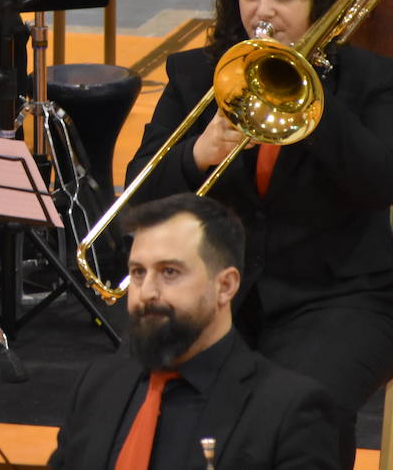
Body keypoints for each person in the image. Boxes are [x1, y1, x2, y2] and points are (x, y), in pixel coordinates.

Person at [124, 0, 393, 468]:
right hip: (224, 299)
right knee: (130, 383)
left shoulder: (372, 78)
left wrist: (310, 103)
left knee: (299, 403)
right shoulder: (200, 76)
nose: (263, 12)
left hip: (345, 299)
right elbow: (139, 201)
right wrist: (193, 157)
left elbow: (383, 183)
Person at [48, 194, 340, 469]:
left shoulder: (290, 413)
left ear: (225, 286)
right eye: (138, 272)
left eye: (170, 272)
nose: (146, 292)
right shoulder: (98, 384)